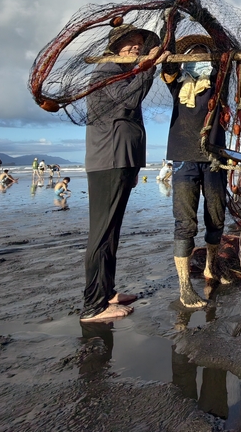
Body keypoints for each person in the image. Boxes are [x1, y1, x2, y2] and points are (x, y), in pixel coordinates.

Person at [82, 23, 169, 323]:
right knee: (102, 234)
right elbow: (131, 100)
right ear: (115, 47)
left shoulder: (125, 73)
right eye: (129, 42)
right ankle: (93, 306)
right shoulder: (106, 72)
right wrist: (149, 68)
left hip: (122, 162)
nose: (135, 47)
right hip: (108, 161)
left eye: (139, 43)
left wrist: (134, 168)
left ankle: (106, 292)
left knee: (112, 234)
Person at [162, 34, 229, 309]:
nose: (199, 58)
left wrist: (215, 48)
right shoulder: (177, 84)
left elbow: (225, 52)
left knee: (216, 216)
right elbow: (166, 68)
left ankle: (212, 267)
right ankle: (184, 287)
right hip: (182, 159)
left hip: (213, 157)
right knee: (185, 223)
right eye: (194, 54)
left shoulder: (219, 84)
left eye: (204, 54)